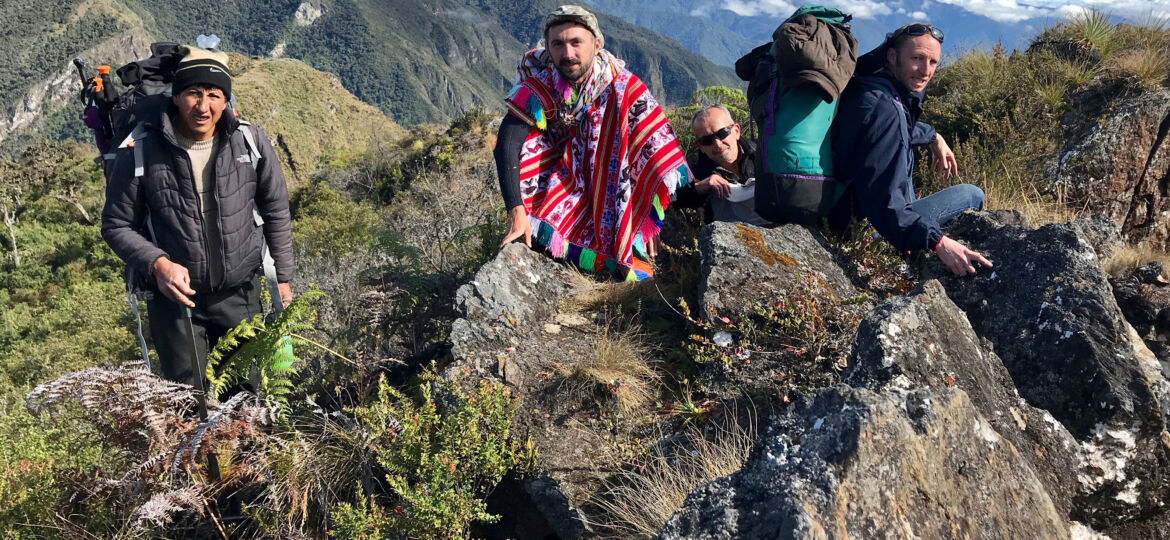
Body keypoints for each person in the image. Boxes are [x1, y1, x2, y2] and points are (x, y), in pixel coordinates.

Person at [101, 47, 294, 386]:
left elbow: (275, 209)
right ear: (176, 97)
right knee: (190, 401)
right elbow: (116, 224)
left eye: (213, 95)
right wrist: (159, 264)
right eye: (193, 93)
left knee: (248, 397)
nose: (203, 106)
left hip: (239, 293)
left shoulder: (249, 142)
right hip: (173, 302)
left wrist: (282, 275)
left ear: (225, 100)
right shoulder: (142, 149)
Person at [494, 5, 691, 281]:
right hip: (562, 179)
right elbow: (508, 142)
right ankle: (545, 226)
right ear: (548, 49)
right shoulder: (539, 86)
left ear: (596, 44)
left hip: (610, 180)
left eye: (577, 43)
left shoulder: (624, 87)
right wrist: (516, 211)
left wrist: (649, 220)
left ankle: (624, 235)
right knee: (526, 144)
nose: (568, 54)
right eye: (558, 44)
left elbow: (653, 147)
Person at [831, 23, 991, 276]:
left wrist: (933, 136)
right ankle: (912, 251)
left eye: (933, 62)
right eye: (917, 58)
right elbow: (884, 204)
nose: (926, 71)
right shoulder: (885, 109)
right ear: (893, 57)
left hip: (838, 210)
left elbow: (898, 133)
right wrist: (937, 241)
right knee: (972, 194)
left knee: (905, 161)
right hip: (866, 229)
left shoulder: (868, 89)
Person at [673, 105, 768, 226]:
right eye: (707, 140)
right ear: (700, 146)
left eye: (722, 133)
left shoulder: (766, 152)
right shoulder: (695, 174)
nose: (717, 144)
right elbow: (669, 199)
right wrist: (699, 187)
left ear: (736, 131)